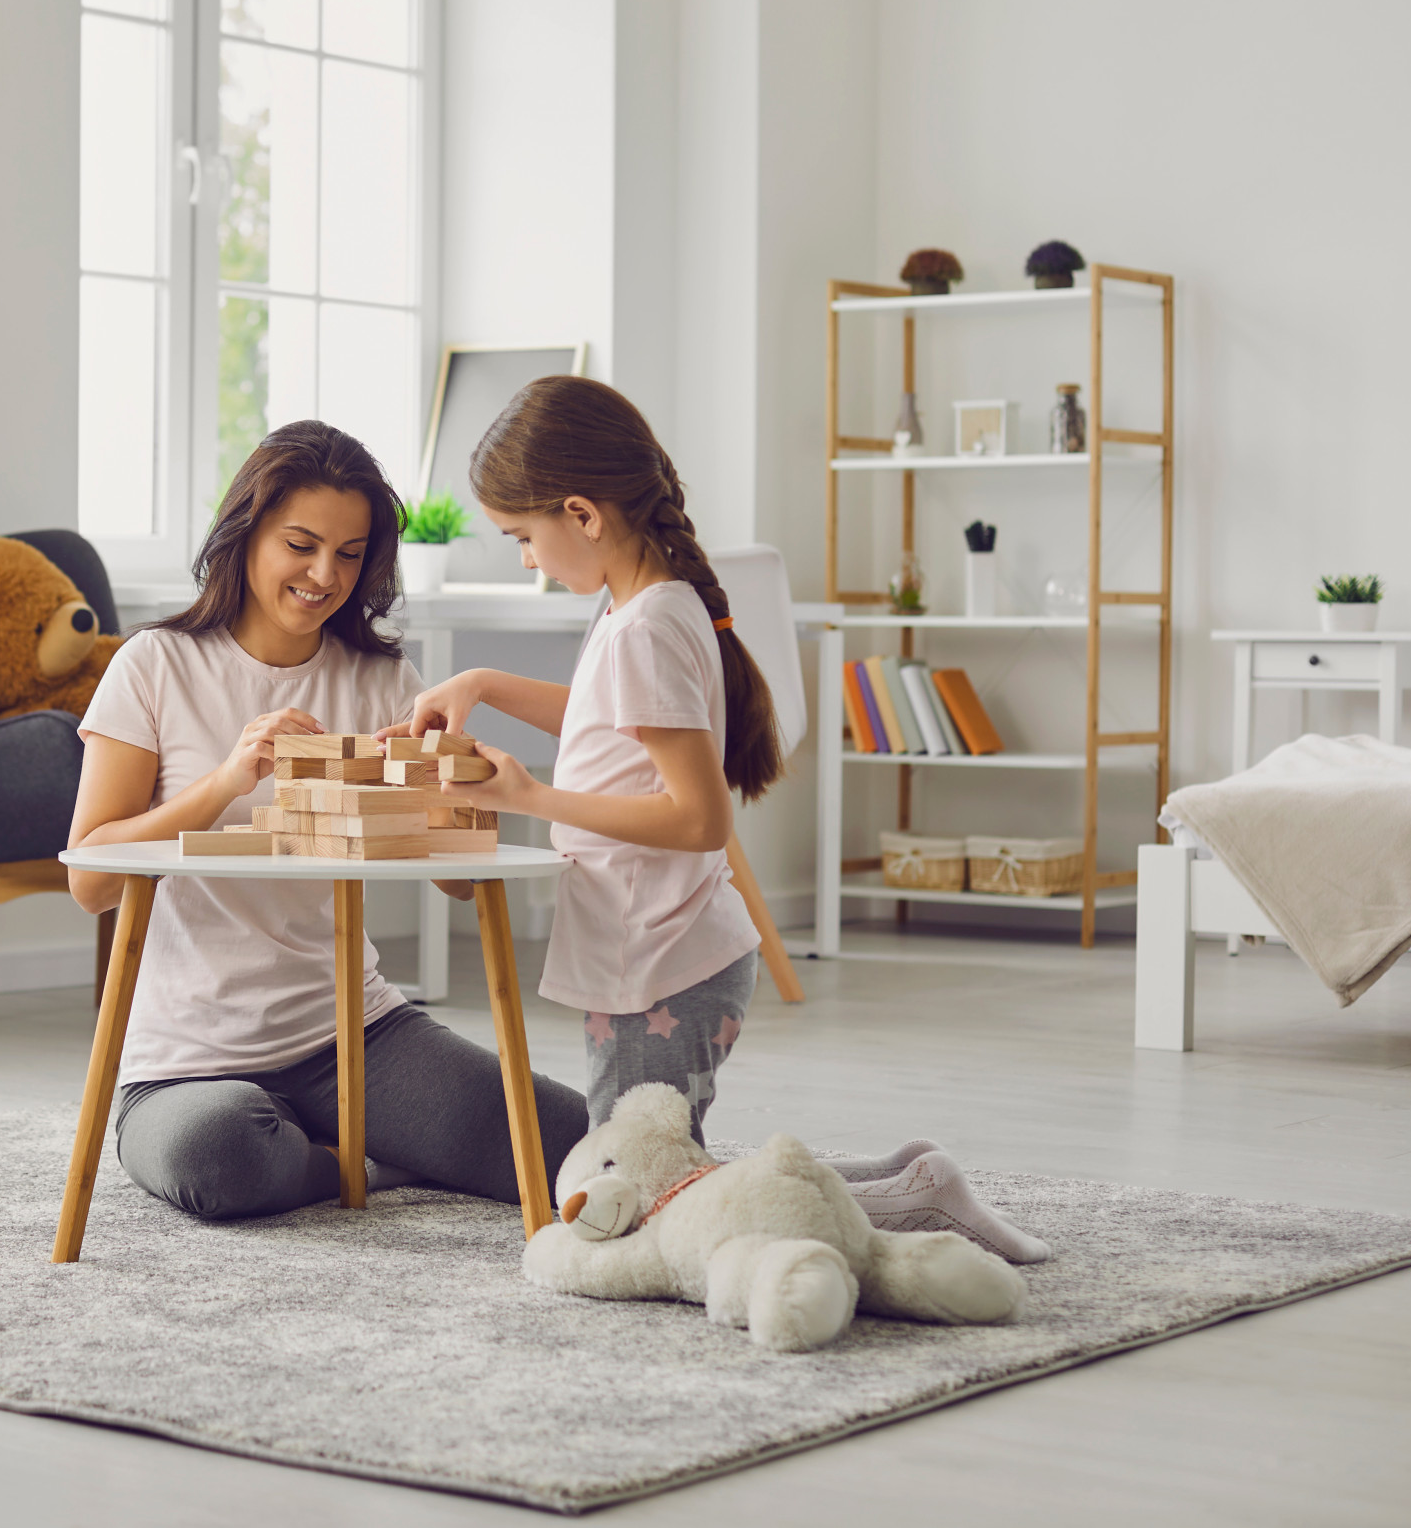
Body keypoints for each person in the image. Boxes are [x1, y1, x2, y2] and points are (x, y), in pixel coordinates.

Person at [395, 376, 1050, 1263]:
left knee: (650, 1195)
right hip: (656, 954)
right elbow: (602, 717)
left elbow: (699, 819)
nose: (527, 562)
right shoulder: (640, 607)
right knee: (661, 1177)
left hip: (659, 965)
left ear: (582, 514)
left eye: (523, 538)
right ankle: (907, 1181)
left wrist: (529, 799)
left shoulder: (647, 627)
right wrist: (483, 686)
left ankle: (910, 1201)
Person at [66, 420, 592, 1221]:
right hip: (187, 1064)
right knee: (221, 1155)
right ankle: (366, 1161)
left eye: (350, 555)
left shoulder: (382, 679)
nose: (324, 575)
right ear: (246, 535)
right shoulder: (155, 665)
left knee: (568, 1139)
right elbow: (94, 879)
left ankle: (351, 1140)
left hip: (355, 1035)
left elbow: (458, 886)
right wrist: (225, 782)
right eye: (301, 545)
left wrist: (459, 791)